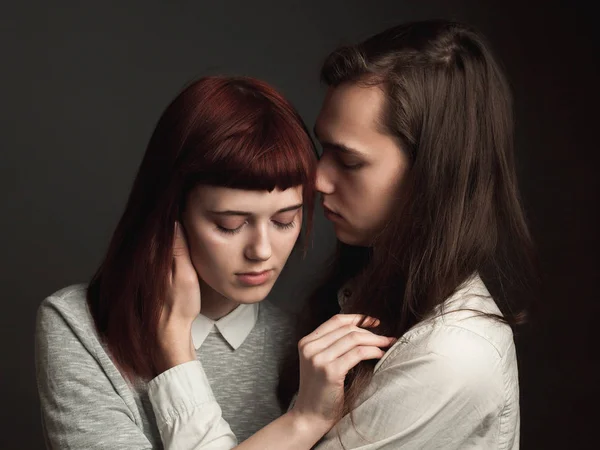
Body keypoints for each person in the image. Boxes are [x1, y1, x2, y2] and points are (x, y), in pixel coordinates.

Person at [160, 19, 539, 449]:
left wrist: (175, 353)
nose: (316, 179)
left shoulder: (451, 358)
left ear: (433, 177)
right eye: (323, 151)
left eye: (350, 161)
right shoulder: (365, 293)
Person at [35, 75, 394, 449]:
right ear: (170, 213)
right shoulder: (79, 324)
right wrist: (302, 422)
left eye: (285, 220)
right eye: (230, 224)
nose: (262, 250)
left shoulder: (308, 348)